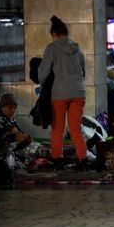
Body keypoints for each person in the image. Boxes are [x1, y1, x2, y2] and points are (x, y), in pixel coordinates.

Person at [39, 16, 88, 171]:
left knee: (58, 128)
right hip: (79, 91)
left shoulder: (52, 48)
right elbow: (83, 70)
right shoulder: (77, 47)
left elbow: (43, 72)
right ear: (66, 32)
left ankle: (57, 160)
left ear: (54, 34)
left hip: (59, 93)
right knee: (76, 128)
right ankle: (82, 161)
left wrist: (42, 84)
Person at [0, 93, 32, 187]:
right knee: (5, 173)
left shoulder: (10, 121)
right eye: (9, 108)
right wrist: (14, 138)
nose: (12, 111)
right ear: (1, 107)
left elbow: (19, 135)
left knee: (28, 158)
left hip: (8, 154)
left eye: (14, 108)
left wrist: (26, 139)